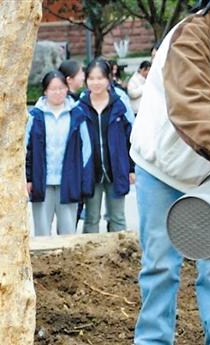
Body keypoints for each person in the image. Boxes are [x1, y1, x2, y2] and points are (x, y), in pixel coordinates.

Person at [127, 0, 210, 345]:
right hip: (164, 164)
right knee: (159, 258)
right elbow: (189, 97)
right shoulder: (192, 35)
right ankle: (153, 340)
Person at [25, 71, 92, 236]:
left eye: (61, 88)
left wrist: (82, 179)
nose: (57, 92)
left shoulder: (77, 114)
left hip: (68, 181)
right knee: (42, 232)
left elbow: (86, 150)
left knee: (68, 231)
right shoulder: (34, 116)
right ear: (45, 91)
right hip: (41, 182)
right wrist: (28, 178)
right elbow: (26, 149)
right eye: (53, 89)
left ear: (67, 89)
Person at [78, 58, 134, 233]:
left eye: (100, 78)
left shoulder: (119, 106)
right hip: (90, 171)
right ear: (86, 80)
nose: (96, 83)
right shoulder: (80, 108)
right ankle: (90, 251)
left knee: (118, 218)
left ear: (108, 79)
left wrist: (131, 168)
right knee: (91, 218)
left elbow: (130, 139)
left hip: (116, 169)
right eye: (92, 78)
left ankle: (119, 249)